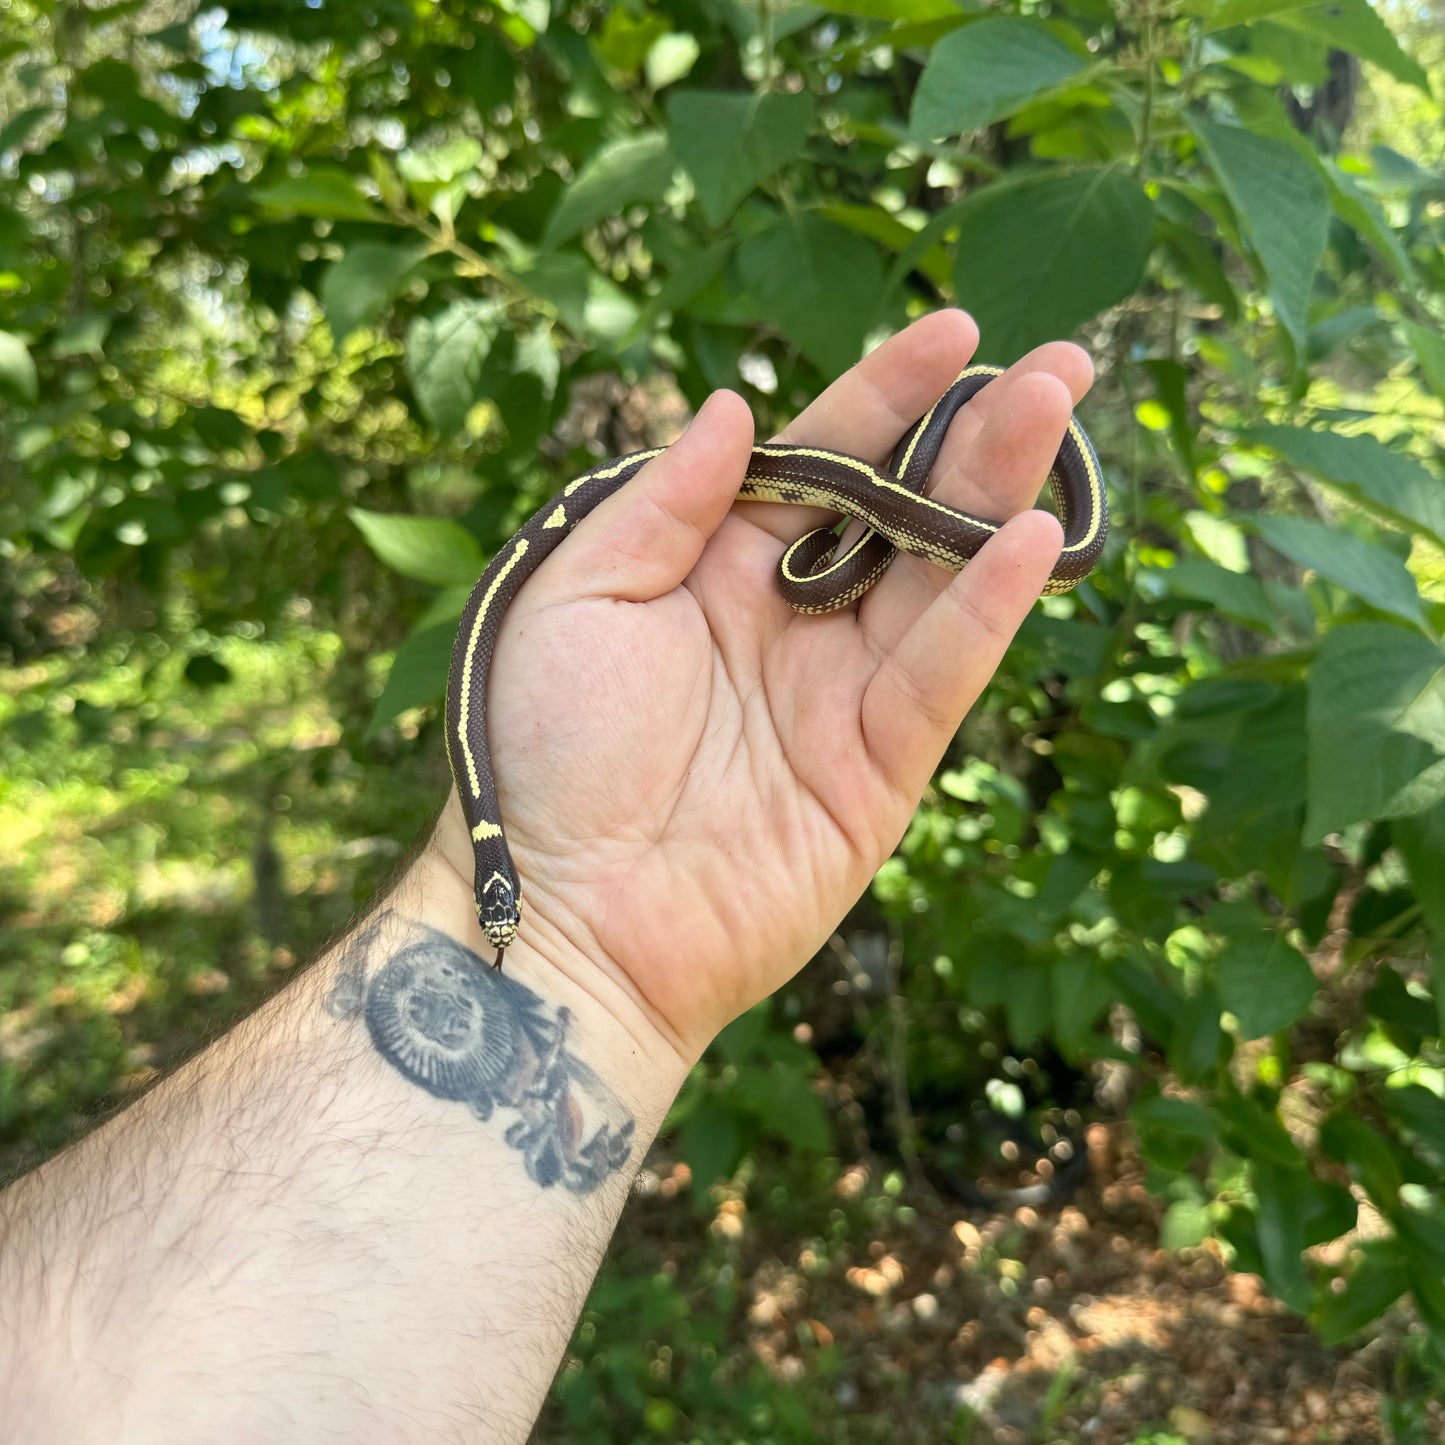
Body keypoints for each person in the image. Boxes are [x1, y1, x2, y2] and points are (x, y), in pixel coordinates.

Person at [0, 311, 1092, 1441]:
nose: (503, 910)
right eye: (501, 895)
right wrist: (573, 938)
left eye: (500, 895)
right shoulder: (511, 787)